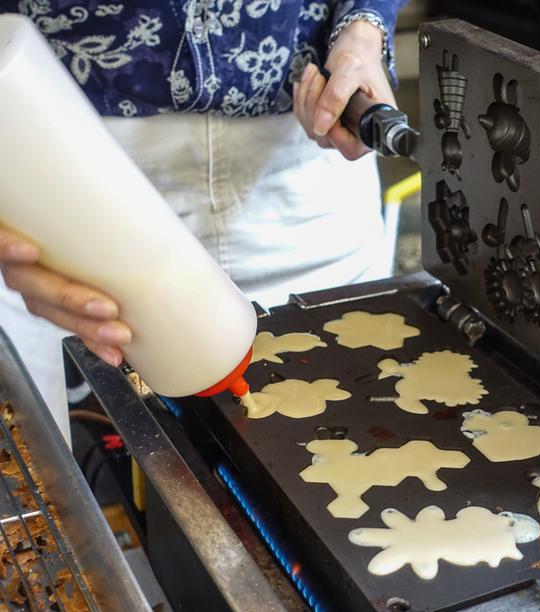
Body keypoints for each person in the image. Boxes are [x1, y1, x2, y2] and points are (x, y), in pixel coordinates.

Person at [0, 0, 405, 442]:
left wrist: (363, 28)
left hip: (304, 164)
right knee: (61, 468)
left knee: (354, 410)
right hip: (53, 154)